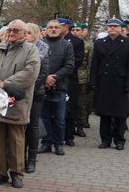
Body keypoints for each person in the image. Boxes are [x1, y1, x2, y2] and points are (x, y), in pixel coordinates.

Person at [0, 20, 40, 188]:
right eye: (10, 30)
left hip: (18, 101)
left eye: (16, 30)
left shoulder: (31, 49)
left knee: (16, 139)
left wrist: (6, 83)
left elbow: (30, 72)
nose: (12, 33)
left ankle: (17, 174)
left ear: (24, 33)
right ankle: (0, 173)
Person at [89, 18, 129, 150]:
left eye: (115, 26)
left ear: (121, 28)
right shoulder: (99, 43)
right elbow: (94, 64)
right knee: (104, 113)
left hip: (120, 82)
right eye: (110, 26)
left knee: (120, 114)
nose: (112, 28)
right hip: (104, 81)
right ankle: (105, 140)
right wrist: (93, 81)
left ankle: (119, 140)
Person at [39, 19, 74, 156]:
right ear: (46, 29)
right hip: (42, 86)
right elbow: (36, 63)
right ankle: (46, 143)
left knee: (60, 118)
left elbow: (70, 65)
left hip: (60, 86)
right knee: (44, 117)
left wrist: (54, 77)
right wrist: (45, 78)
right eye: (50, 27)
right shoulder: (40, 44)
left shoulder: (66, 45)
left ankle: (59, 144)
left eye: (56, 27)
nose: (53, 29)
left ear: (60, 29)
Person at [23, 22, 50, 174]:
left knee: (33, 126)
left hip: (35, 92)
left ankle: (31, 159)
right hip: (20, 91)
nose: (25, 35)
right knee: (21, 126)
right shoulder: (20, 47)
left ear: (34, 34)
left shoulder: (42, 48)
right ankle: (20, 157)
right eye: (23, 32)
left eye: (28, 33)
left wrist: (28, 87)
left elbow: (43, 72)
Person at [59, 17, 85, 146]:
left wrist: (62, 69)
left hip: (70, 79)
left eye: (59, 25)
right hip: (54, 79)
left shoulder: (76, 42)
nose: (56, 28)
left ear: (65, 27)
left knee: (70, 108)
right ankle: (55, 136)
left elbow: (78, 60)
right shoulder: (51, 40)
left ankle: (69, 136)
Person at [75, 22, 93, 134]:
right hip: (70, 76)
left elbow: (91, 62)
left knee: (82, 102)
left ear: (82, 32)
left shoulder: (88, 45)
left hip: (83, 76)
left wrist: (90, 79)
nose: (76, 32)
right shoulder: (67, 43)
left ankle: (81, 125)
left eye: (78, 30)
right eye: (74, 30)